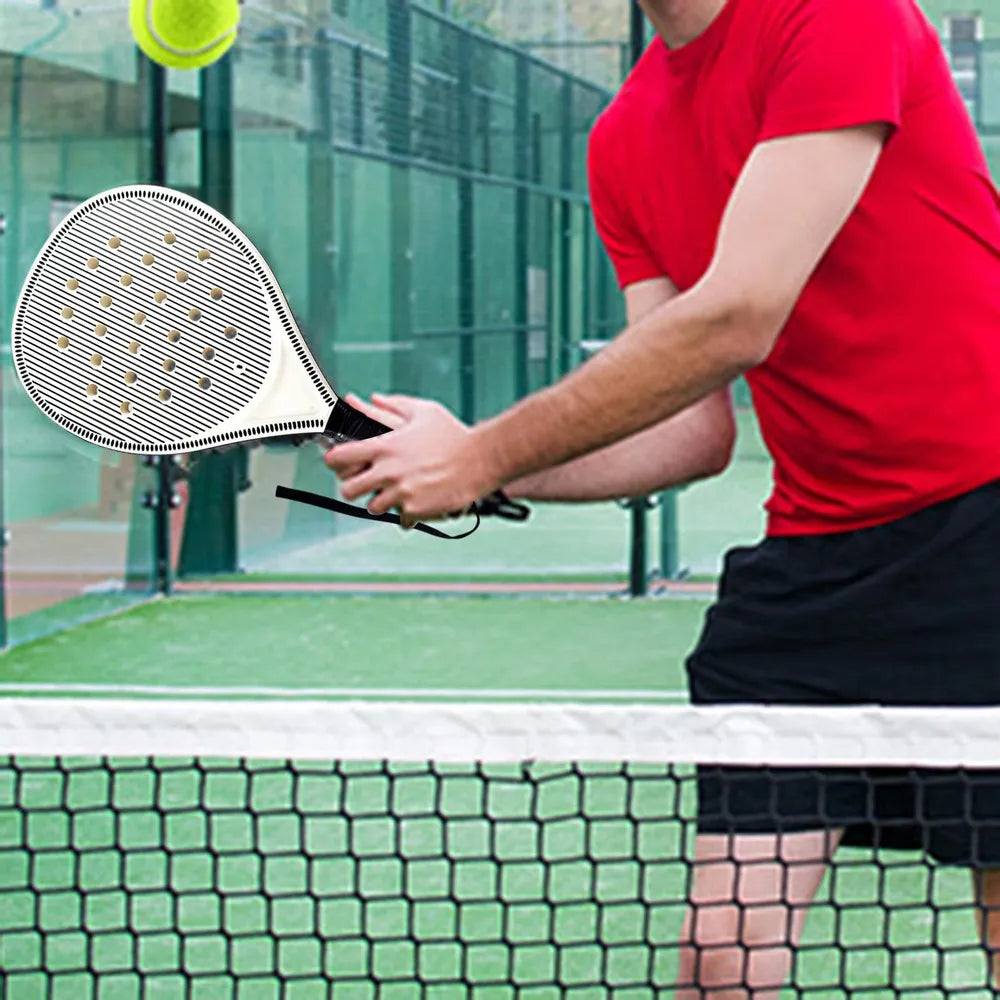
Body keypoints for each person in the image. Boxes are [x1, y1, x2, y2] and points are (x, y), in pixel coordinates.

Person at [326, 0, 1000, 993]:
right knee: (720, 960)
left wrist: (477, 457)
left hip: (986, 527)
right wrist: (474, 462)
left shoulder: (837, 16)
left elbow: (737, 315)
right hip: (813, 566)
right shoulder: (624, 140)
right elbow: (690, 428)